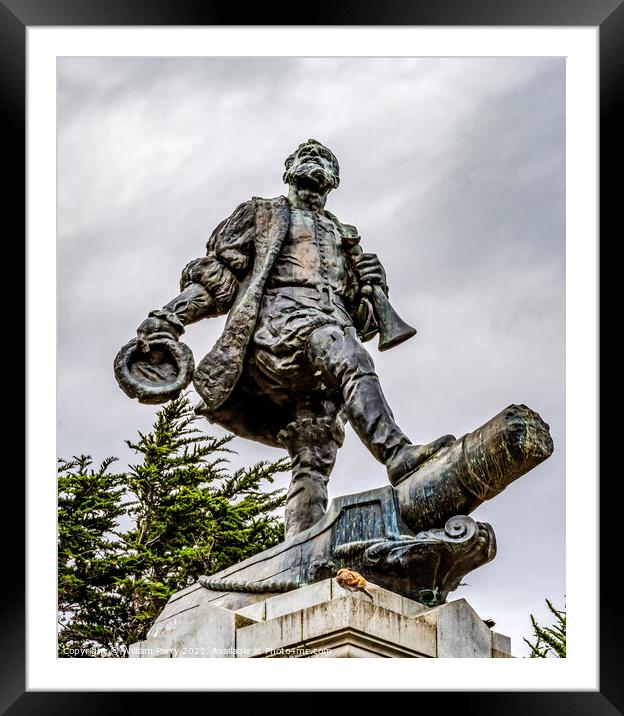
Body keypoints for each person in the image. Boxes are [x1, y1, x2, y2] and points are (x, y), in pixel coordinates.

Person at [136, 139, 454, 540]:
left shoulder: (346, 236)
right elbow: (218, 278)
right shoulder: (263, 214)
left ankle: (300, 545)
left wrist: (371, 287)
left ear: (334, 180)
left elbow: (364, 319)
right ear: (289, 168)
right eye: (307, 156)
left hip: (329, 337)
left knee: (314, 450)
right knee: (349, 354)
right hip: (281, 329)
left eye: (325, 160)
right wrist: (169, 318)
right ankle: (397, 455)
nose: (316, 163)